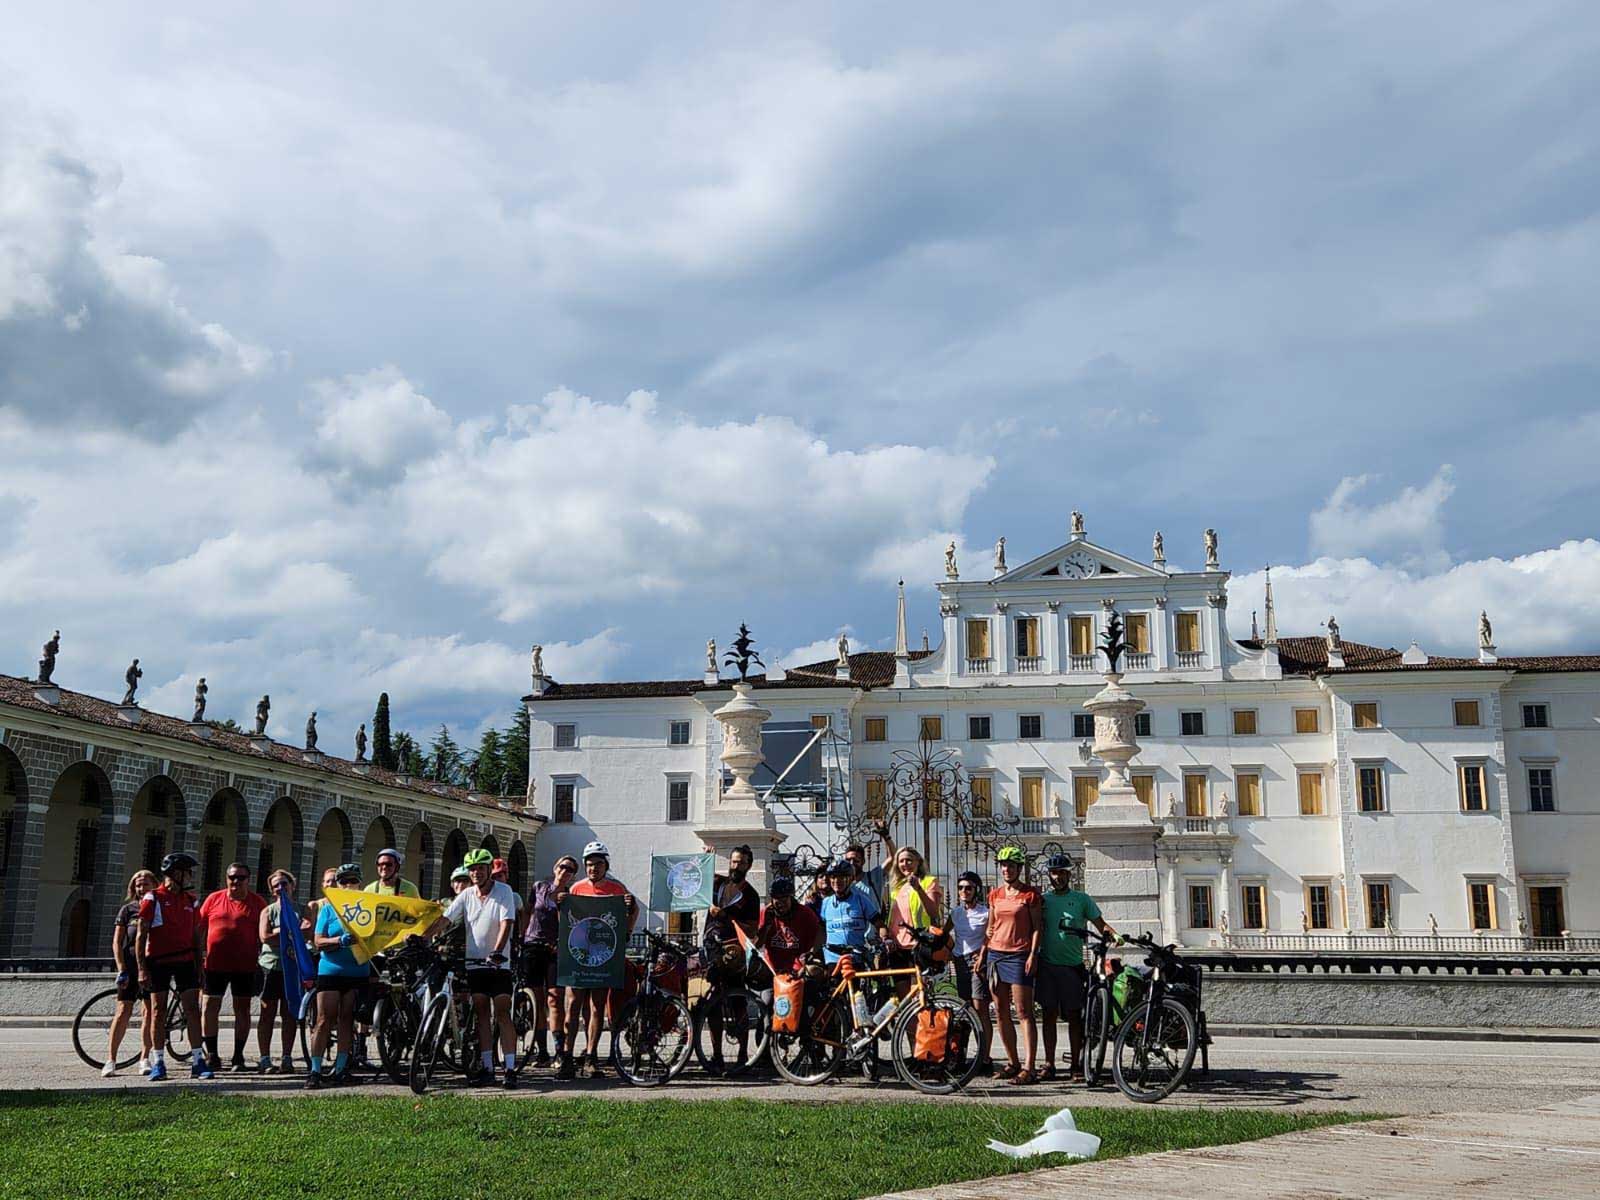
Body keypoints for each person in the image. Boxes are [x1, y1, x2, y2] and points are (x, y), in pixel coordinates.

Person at [426, 849, 521, 1088]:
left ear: (489, 870)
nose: (476, 873)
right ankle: (487, 1067)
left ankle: (510, 1068)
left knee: (501, 1010)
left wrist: (497, 951)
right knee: (481, 1013)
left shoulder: (504, 892)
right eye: (472, 869)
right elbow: (446, 919)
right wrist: (423, 936)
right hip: (475, 962)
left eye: (480, 868)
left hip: (499, 963)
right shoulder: (467, 894)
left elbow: (506, 922)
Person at [557, 841, 638, 1080]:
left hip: (603, 956)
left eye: (598, 864)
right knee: (572, 1006)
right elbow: (567, 920)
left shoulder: (616, 888)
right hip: (579, 955)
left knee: (597, 1007)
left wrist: (627, 931)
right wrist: (561, 903)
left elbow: (633, 911)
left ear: (606, 865)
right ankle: (567, 1056)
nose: (593, 869)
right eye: (590, 865)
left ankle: (591, 1056)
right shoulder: (577, 888)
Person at [136, 852, 211, 1081]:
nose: (190, 877)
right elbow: (141, 935)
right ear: (175, 873)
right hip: (158, 961)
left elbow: (197, 937)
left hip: (186, 961)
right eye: (187, 872)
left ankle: (198, 1060)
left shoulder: (191, 900)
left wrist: (200, 966)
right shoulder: (153, 898)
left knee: (192, 1010)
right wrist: (141, 968)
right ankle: (158, 1061)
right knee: (157, 1012)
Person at [1038, 854, 1113, 1082]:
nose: (1058, 877)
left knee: (1074, 1016)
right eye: (1054, 873)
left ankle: (1076, 1065)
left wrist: (1114, 936)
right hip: (1048, 964)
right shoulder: (1043, 900)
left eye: (1062, 872)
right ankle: (1049, 1063)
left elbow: (1101, 925)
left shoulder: (1082, 899)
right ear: (1049, 876)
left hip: (1072, 966)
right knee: (1048, 1015)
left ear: (1069, 874)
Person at [978, 846, 1041, 1085]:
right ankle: (1013, 1062)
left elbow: (1037, 928)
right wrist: (983, 953)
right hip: (996, 955)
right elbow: (990, 928)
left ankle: (1029, 1066)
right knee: (1001, 1012)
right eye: (1003, 865)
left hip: (1018, 955)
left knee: (1024, 1012)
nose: (1006, 869)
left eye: (1011, 865)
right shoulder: (994, 895)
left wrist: (1033, 954)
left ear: (1019, 869)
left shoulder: (1030, 895)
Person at [198, 862, 267, 1071]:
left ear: (249, 879)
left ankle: (238, 1056)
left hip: (245, 965)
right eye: (232, 877)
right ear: (226, 878)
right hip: (214, 964)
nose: (235, 881)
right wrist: (197, 956)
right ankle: (212, 1054)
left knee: (242, 1010)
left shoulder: (257, 903)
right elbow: (199, 929)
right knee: (210, 1007)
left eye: (241, 877)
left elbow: (264, 934)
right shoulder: (213, 899)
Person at [306, 863, 369, 1088]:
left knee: (347, 1020)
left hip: (357, 971)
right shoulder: (328, 909)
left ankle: (341, 1068)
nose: (348, 885)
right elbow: (318, 940)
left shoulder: (368, 907)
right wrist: (338, 941)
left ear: (360, 883)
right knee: (324, 1020)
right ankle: (314, 1070)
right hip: (331, 971)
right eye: (344, 881)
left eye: (353, 881)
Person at [523, 855, 576, 1067]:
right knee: (536, 1001)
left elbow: (572, 924)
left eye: (570, 869)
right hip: (532, 945)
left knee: (555, 998)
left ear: (573, 875)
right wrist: (522, 937)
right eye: (562, 866)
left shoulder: (571, 896)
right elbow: (527, 912)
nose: (565, 871)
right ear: (555, 868)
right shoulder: (539, 887)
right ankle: (541, 1050)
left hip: (555, 950)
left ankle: (558, 1051)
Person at [104, 869, 158, 1077]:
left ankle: (144, 1058)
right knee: (122, 1011)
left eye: (145, 884)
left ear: (154, 885)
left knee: (149, 1012)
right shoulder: (128, 910)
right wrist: (121, 969)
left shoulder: (158, 908)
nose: (141, 888)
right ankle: (111, 1060)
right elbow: (117, 942)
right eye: (137, 885)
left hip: (152, 964)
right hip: (130, 964)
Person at [256, 869, 308, 1073]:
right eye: (276, 885)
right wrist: (290, 931)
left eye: (284, 884)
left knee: (289, 1014)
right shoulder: (267, 911)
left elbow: (308, 931)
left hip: (293, 968)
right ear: (271, 890)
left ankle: (287, 1057)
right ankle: (264, 1058)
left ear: (292, 886)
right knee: (267, 1013)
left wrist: (280, 931)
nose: (280, 888)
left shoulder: (302, 909)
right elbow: (265, 937)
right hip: (271, 967)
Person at [883, 844, 944, 995]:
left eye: (909, 860)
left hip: (919, 944)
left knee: (921, 993)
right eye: (901, 861)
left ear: (918, 862)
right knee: (904, 995)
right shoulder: (896, 887)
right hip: (897, 946)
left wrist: (918, 889)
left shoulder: (929, 881)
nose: (905, 864)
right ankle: (908, 1020)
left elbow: (933, 912)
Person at [950, 870, 992, 1068]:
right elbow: (944, 933)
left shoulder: (985, 913)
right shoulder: (956, 913)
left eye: (968, 888)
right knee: (965, 1010)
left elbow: (990, 937)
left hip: (977, 963)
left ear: (977, 890)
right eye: (960, 888)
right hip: (959, 962)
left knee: (980, 1008)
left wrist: (982, 955)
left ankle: (984, 1056)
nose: (964, 891)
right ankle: (962, 1055)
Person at [702, 844, 760, 989]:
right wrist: (706, 859)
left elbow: (752, 930)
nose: (736, 866)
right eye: (733, 862)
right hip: (710, 946)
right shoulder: (718, 883)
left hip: (733, 953)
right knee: (708, 993)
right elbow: (698, 883)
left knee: (735, 996)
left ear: (749, 865)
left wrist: (725, 917)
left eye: (741, 863)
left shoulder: (751, 895)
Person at [755, 875, 822, 978]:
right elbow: (757, 944)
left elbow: (819, 934)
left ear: (791, 897)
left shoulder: (805, 913)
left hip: (798, 971)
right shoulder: (766, 912)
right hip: (773, 971)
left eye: (784, 899)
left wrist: (812, 954)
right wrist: (766, 926)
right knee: (766, 994)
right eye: (777, 899)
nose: (781, 904)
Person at [819, 858, 881, 966]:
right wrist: (812, 951)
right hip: (833, 958)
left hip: (856, 956)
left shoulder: (861, 900)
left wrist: (885, 939)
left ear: (851, 878)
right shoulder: (826, 903)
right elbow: (821, 931)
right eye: (833, 877)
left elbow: (879, 924)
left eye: (842, 877)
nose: (837, 881)